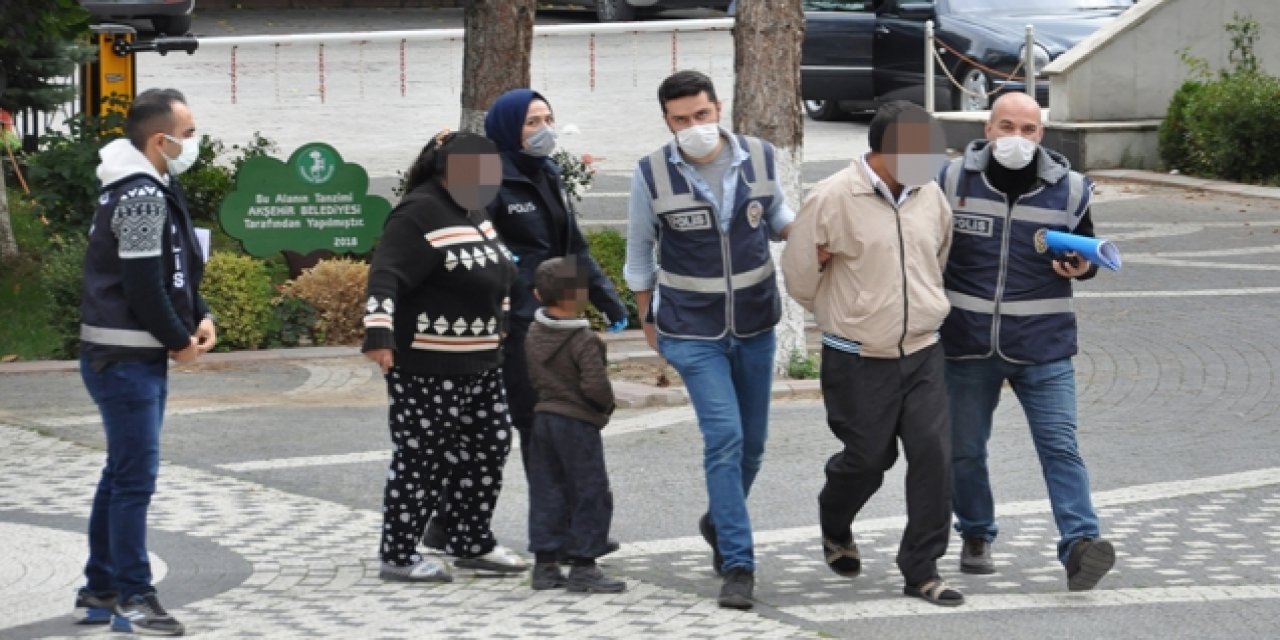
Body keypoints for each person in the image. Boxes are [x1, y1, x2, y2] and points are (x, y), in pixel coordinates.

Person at [421, 88, 629, 555]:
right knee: (539, 426)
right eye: (532, 122)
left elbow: (570, 248)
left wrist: (608, 302)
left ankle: (447, 527)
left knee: (550, 425)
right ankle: (559, 537)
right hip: (513, 327)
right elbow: (476, 249)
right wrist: (515, 299)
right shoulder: (485, 178)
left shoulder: (549, 172)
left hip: (555, 320)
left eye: (548, 119)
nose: (544, 130)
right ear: (506, 127)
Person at [623, 69, 794, 610]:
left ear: (717, 107)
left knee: (755, 445)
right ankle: (738, 565)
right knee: (724, 437)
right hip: (691, 330)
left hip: (754, 324)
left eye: (701, 114)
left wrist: (820, 233)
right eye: (681, 120)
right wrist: (647, 318)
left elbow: (779, 217)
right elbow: (638, 254)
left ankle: (719, 518)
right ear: (667, 121)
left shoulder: (761, 156)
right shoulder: (650, 173)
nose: (694, 126)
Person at [781, 100, 962, 606]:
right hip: (857, 355)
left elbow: (938, 255)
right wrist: (850, 313)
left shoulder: (932, 196)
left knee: (934, 457)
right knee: (868, 459)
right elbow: (800, 276)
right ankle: (835, 520)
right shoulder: (833, 197)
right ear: (883, 151)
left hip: (923, 350)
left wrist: (922, 305)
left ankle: (922, 570)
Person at [938, 91, 1115, 591]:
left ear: (1041, 135)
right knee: (964, 450)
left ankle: (1081, 545)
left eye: (1029, 129)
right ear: (988, 130)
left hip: (1044, 345)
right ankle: (975, 533)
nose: (1017, 138)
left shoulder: (1072, 190)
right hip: (967, 345)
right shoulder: (952, 181)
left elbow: (1087, 259)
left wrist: (1082, 266)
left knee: (1061, 446)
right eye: (1007, 126)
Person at [75, 87, 215, 636]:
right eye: (189, 133)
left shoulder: (153, 186)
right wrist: (180, 340)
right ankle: (134, 596)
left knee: (121, 476)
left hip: (130, 357)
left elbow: (177, 266)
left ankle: (100, 587)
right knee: (134, 481)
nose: (194, 141)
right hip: (125, 359)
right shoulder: (138, 196)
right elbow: (141, 283)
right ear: (160, 140)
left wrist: (198, 313)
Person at [362, 131, 525, 582]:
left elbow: (498, 272)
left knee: (489, 447)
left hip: (482, 361)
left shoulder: (473, 209)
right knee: (422, 458)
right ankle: (398, 553)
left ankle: (470, 540)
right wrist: (379, 334)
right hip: (427, 364)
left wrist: (503, 327)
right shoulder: (419, 212)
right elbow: (385, 275)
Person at [524, 256, 625, 594]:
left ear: (538, 295)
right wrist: (604, 407)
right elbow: (595, 386)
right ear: (580, 297)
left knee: (548, 489)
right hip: (577, 422)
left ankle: (545, 563)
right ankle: (584, 564)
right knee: (589, 491)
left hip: (543, 418)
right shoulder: (584, 339)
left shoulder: (534, 332)